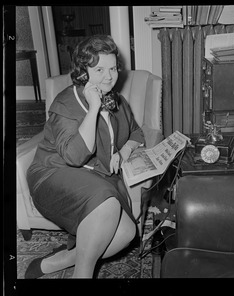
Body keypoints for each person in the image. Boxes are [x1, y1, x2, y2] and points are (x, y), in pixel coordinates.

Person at [25, 35, 145, 279]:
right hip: (53, 174)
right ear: (83, 72)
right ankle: (82, 273)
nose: (109, 76)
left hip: (95, 177)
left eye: (112, 68)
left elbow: (136, 132)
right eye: (99, 69)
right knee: (106, 201)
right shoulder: (66, 103)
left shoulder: (117, 101)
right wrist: (93, 109)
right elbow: (74, 156)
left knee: (126, 233)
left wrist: (123, 151)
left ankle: (63, 259)